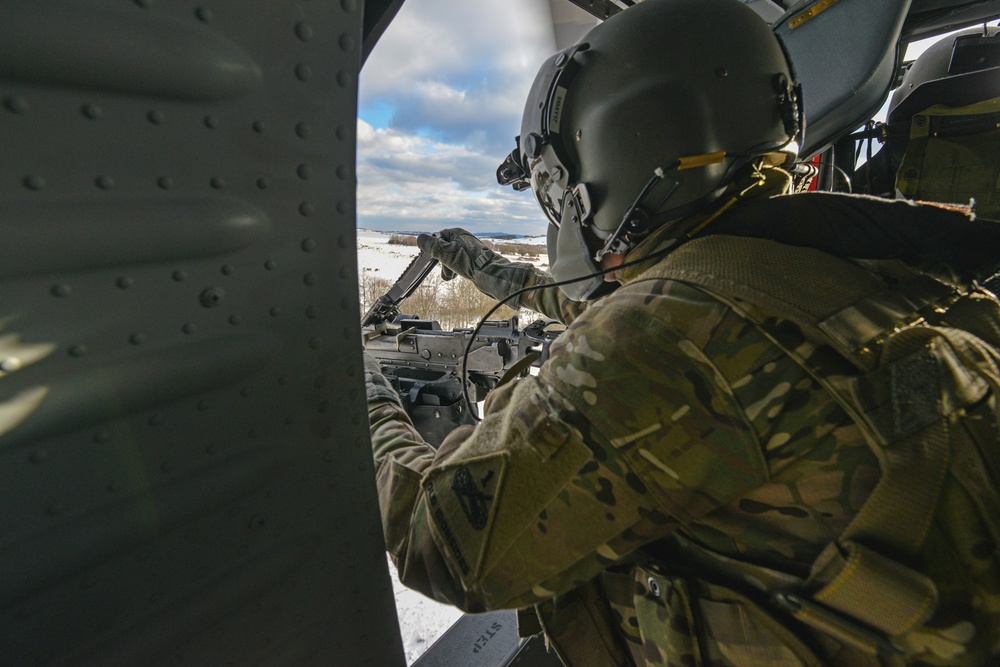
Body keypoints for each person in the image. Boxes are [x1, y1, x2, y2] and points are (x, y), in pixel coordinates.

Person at [365, 1, 1000, 664]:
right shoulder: (856, 269)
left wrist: (370, 404)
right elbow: (606, 307)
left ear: (616, 150)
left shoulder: (667, 338)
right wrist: (478, 263)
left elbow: (440, 542)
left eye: (556, 185)